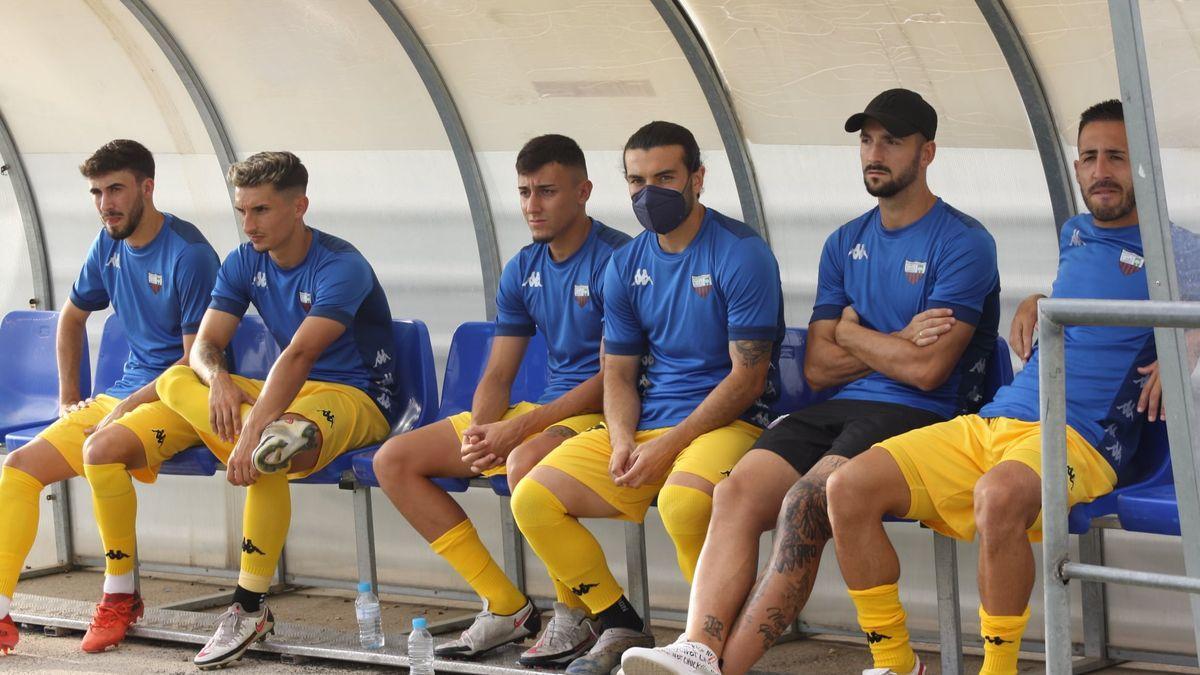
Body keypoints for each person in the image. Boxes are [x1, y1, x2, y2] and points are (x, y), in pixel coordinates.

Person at [622, 88, 1000, 675]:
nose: (875, 153)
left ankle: (725, 670)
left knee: (805, 501)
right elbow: (819, 368)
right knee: (735, 492)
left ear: (927, 153)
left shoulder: (963, 241)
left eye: (892, 141)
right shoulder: (844, 241)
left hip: (924, 417)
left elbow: (929, 372)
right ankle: (696, 647)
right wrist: (896, 338)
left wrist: (850, 334)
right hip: (838, 406)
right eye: (867, 140)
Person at [826, 99, 1191, 675]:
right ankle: (895, 665)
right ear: (1075, 168)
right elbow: (1085, 297)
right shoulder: (1075, 233)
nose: (1101, 171)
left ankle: (999, 670)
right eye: (1090, 157)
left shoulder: (1176, 247)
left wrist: (1185, 347)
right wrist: (1037, 301)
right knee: (847, 487)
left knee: (997, 496)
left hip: (1079, 437)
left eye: (1116, 157)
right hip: (999, 419)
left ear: (1142, 166)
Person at [511, 120, 784, 674]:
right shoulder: (626, 261)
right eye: (636, 181)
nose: (647, 193)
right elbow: (617, 372)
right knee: (533, 497)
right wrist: (619, 440)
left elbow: (748, 379)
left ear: (697, 178)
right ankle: (618, 619)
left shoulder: (741, 252)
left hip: (732, 423)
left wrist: (669, 445)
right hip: (648, 423)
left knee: (684, 504)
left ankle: (702, 647)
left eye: (664, 177)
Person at [371, 134, 630, 666]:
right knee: (394, 460)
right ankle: (506, 605)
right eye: (524, 192)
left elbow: (614, 379)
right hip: (543, 411)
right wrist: (480, 433)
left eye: (547, 192)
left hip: (603, 414)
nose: (533, 206)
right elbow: (498, 371)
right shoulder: (522, 268)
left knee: (525, 460)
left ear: (583, 191)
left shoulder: (618, 259)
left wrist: (518, 432)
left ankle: (574, 613)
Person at [142, 151, 396, 670]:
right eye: (242, 211)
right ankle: (249, 451)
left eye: (260, 210)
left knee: (271, 446)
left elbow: (301, 355)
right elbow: (204, 345)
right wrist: (218, 383)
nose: (248, 224)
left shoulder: (340, 264)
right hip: (290, 396)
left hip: (357, 395)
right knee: (175, 378)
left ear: (299, 206)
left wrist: (248, 431)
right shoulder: (243, 261)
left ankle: (249, 604)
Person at [0, 139, 219, 655]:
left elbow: (193, 363)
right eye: (96, 192)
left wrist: (124, 408)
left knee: (99, 451)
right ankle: (1, 612)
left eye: (115, 189)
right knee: (18, 467)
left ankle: (120, 593)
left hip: (181, 398)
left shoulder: (189, 254)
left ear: (147, 187)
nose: (105, 204)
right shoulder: (107, 243)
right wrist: (69, 397)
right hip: (123, 394)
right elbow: (72, 318)